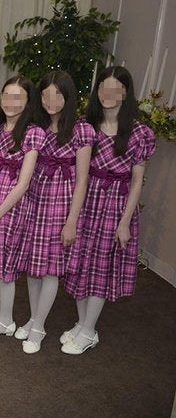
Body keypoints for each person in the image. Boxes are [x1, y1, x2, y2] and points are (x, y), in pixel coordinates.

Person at [62, 66, 155, 354]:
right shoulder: (85, 126)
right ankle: (82, 323)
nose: (107, 93)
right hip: (86, 200)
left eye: (115, 88)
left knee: (101, 269)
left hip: (115, 205)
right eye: (103, 87)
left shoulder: (140, 133)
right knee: (79, 263)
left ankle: (89, 330)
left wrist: (125, 222)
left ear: (125, 92)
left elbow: (137, 181)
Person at [14, 71, 94, 354]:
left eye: (57, 94)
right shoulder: (35, 126)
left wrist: (72, 221)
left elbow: (83, 179)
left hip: (61, 204)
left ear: (68, 96)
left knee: (50, 269)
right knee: (33, 266)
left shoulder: (81, 129)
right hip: (34, 200)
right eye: (46, 94)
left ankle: (38, 327)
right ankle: (35, 318)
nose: (51, 100)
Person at [0, 76, 45, 337]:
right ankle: (1, 308)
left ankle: (7, 321)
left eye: (17, 98)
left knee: (6, 267)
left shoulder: (33, 133)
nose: (10, 102)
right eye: (6, 96)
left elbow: (24, 183)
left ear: (28, 102)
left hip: (10, 210)